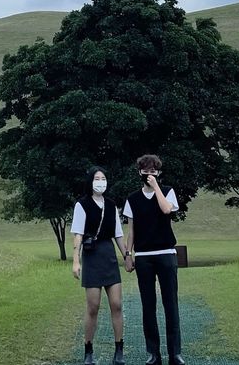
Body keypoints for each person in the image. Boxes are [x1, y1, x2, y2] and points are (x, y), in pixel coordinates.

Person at [123, 154, 184, 365]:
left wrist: (156, 186)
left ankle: (174, 353)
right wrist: (128, 255)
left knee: (171, 304)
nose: (149, 174)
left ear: (158, 172)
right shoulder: (132, 199)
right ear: (139, 172)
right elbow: (131, 230)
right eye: (145, 171)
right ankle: (153, 353)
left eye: (153, 171)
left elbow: (167, 209)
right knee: (148, 305)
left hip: (166, 253)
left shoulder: (167, 192)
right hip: (144, 257)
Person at [72, 167, 127, 365]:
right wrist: (76, 261)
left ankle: (119, 349)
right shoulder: (82, 204)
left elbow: (118, 234)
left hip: (108, 254)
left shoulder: (112, 205)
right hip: (91, 254)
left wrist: (127, 255)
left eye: (103, 178)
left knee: (116, 304)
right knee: (93, 306)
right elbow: (77, 233)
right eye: (97, 178)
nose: (101, 182)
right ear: (90, 182)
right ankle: (88, 350)